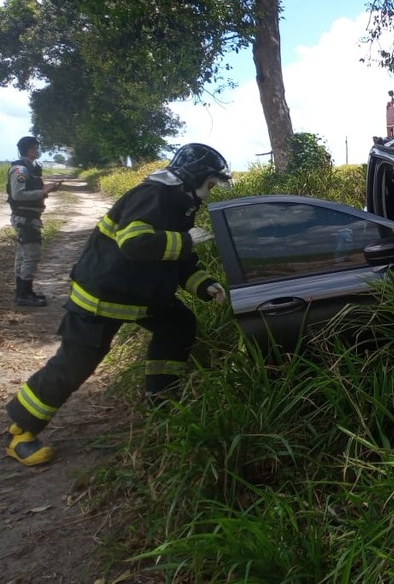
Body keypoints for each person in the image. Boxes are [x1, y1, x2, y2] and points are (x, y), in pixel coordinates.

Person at [4, 143, 232, 466]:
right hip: (103, 295)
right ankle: (20, 430)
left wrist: (204, 284)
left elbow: (177, 259)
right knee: (76, 362)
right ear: (194, 176)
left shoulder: (180, 202)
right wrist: (185, 240)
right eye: (210, 184)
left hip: (139, 295)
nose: (209, 192)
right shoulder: (154, 196)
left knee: (178, 324)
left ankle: (162, 400)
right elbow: (135, 243)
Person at [6, 135, 61, 307]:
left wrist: (45, 189)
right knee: (31, 255)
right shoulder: (20, 170)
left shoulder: (30, 168)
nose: (38, 150)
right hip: (25, 219)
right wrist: (44, 192)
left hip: (28, 218)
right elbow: (18, 194)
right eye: (36, 148)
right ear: (30, 150)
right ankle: (24, 294)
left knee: (23, 255)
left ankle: (24, 292)